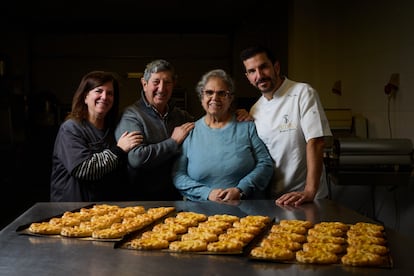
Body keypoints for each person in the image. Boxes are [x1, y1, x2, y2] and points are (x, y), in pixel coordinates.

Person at [238, 45, 332, 206]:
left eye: (263, 67)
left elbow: (316, 142)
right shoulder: (255, 109)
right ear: (247, 76)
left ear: (276, 66)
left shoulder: (303, 92)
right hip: (274, 199)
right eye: (252, 71)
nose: (259, 75)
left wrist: (309, 191)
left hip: (306, 197)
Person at [172, 69, 274, 202]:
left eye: (222, 93)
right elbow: (178, 175)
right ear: (201, 97)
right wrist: (207, 193)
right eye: (209, 92)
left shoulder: (247, 127)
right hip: (198, 213)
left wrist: (241, 190)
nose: (215, 98)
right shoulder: (189, 132)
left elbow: (265, 164)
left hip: (246, 212)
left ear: (230, 98)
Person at [50, 71, 143, 202]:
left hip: (103, 210)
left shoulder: (112, 129)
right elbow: (84, 169)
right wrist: (119, 150)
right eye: (99, 91)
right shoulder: (71, 129)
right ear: (85, 96)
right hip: (71, 212)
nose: (104, 97)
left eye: (110, 93)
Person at [115, 59, 195, 200]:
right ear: (144, 84)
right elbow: (137, 158)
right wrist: (173, 141)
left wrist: (233, 116)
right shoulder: (131, 116)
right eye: (156, 82)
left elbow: (208, 126)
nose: (162, 88)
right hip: (140, 202)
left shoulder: (181, 116)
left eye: (167, 82)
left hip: (174, 197)